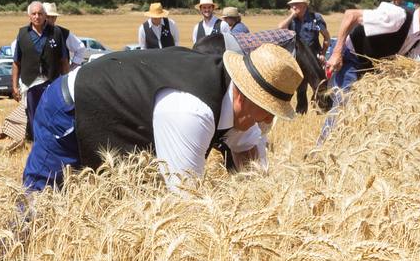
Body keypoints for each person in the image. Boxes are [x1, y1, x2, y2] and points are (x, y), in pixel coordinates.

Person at [22, 42, 303, 193]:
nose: (267, 122)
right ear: (245, 94)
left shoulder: (238, 100)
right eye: (268, 110)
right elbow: (183, 199)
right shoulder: (192, 111)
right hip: (72, 107)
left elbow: (249, 153)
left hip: (121, 119)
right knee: (42, 202)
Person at [326, 0, 420, 92]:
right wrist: (337, 53)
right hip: (350, 56)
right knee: (343, 107)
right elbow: (351, 15)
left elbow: (400, 65)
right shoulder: (398, 16)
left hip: (371, 70)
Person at [10, 0, 69, 142]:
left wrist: (66, 82)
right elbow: (16, 62)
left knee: (52, 113)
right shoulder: (22, 33)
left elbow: (64, 60)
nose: (37, 17)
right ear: (29, 16)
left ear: (45, 16)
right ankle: (37, 144)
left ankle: (53, 142)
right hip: (30, 82)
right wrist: (14, 86)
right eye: (34, 14)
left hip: (51, 81)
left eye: (40, 14)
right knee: (33, 115)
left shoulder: (56, 32)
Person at [279, 0, 329, 113]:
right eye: (292, 5)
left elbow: (326, 38)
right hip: (299, 59)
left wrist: (322, 53)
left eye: (296, 4)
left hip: (314, 57)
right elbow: (280, 28)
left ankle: (321, 111)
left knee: (319, 86)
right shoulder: (291, 20)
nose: (293, 7)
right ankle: (301, 112)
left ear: (304, 5)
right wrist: (292, 15)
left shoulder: (316, 18)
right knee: (300, 88)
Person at [43, 3, 85, 67]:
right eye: (47, 17)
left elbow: (80, 48)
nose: (50, 19)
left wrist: (72, 67)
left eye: (53, 17)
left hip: (59, 75)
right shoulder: (32, 32)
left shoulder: (64, 33)